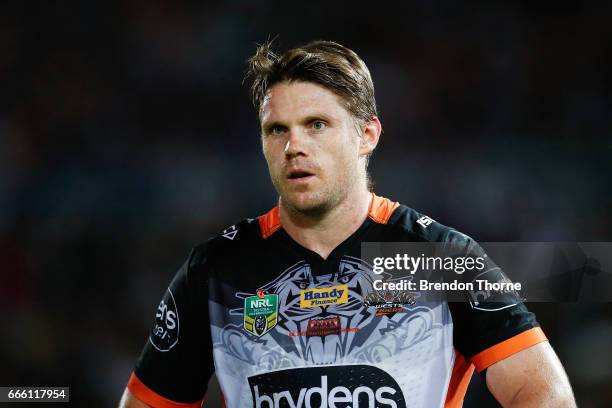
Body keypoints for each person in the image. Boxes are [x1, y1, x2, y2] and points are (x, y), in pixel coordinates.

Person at [119, 40, 575, 408]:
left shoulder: (436, 257)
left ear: (367, 135)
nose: (294, 145)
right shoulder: (216, 270)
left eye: (316, 124)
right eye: (277, 129)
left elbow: (542, 392)